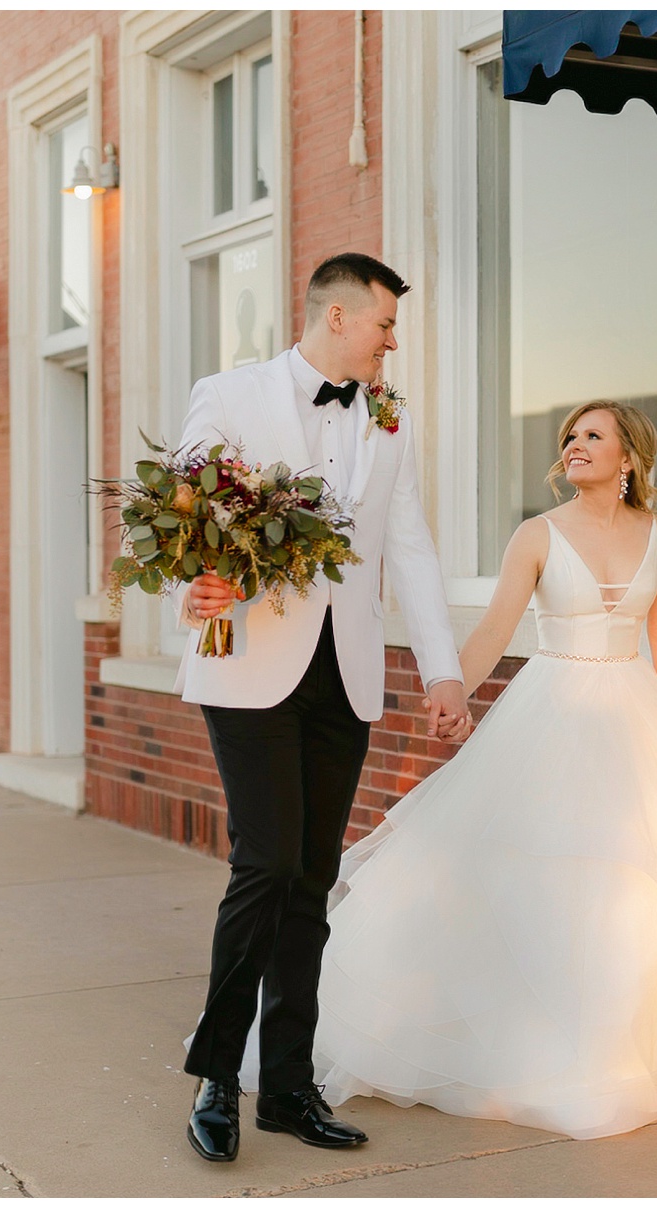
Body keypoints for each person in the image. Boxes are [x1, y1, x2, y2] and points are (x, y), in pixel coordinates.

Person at [307, 400, 657, 1140]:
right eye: (569, 436)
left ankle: (616, 1041)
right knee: (533, 872)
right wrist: (452, 693)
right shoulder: (537, 534)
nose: (575, 445)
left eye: (593, 435)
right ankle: (524, 1038)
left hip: (631, 722)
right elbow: (497, 627)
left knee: (625, 885)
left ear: (629, 456)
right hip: (551, 708)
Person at [173, 252, 474, 1164]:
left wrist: (442, 670)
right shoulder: (229, 394)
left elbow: (410, 547)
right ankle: (219, 1075)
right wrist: (199, 583)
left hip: (343, 674)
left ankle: (289, 1089)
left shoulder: (389, 417)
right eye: (386, 323)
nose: (392, 341)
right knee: (264, 864)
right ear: (337, 317)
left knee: (311, 879)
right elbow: (182, 509)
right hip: (250, 665)